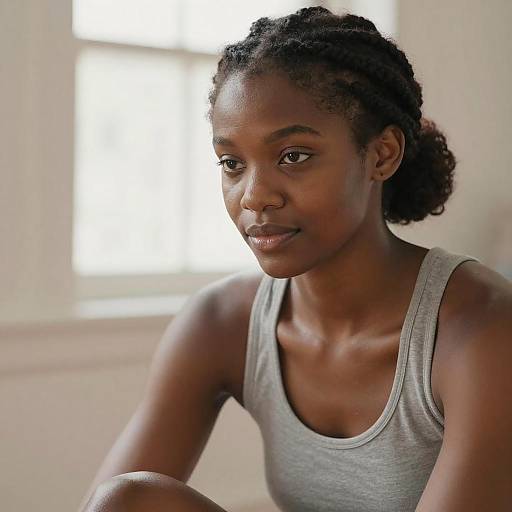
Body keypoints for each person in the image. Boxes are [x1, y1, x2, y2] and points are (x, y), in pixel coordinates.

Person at [79, 6, 512, 512]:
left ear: (381, 155)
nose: (254, 196)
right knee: (128, 501)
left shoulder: (482, 329)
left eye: (294, 156)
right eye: (232, 164)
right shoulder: (221, 323)